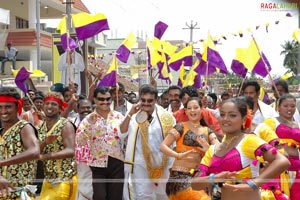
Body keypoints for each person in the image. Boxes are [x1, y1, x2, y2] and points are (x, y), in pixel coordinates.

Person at [191, 97, 290, 200]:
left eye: (232, 115)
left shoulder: (248, 141)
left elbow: (282, 161)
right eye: (222, 114)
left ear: (243, 119)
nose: (225, 119)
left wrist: (254, 183)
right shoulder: (213, 150)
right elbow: (194, 184)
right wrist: (214, 178)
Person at [120, 84, 176, 200]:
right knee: (142, 196)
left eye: (150, 101)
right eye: (143, 100)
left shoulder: (167, 117)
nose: (146, 103)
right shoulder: (133, 115)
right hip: (139, 164)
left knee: (163, 196)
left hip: (162, 164)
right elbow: (122, 133)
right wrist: (130, 113)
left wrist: (173, 166)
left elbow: (173, 144)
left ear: (156, 100)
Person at [160, 97, 219, 200]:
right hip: (179, 177)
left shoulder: (208, 131)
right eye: (189, 108)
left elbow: (219, 151)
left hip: (198, 177)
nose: (192, 110)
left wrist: (208, 149)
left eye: (196, 107)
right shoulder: (180, 127)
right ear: (185, 111)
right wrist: (177, 155)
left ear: (202, 109)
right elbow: (163, 146)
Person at [76, 87, 125, 200]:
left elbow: (127, 136)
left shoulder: (119, 117)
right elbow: (80, 141)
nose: (105, 102)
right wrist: (89, 125)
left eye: (108, 99)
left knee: (116, 197)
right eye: (101, 99)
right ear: (95, 99)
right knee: (100, 196)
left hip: (117, 162)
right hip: (97, 164)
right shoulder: (88, 119)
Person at [0, 87, 40, 199]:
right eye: (0, 107)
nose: (3, 111)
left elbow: (35, 151)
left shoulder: (24, 127)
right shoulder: (1, 132)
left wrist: (2, 163)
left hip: (19, 194)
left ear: (17, 106)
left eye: (8, 107)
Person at [38, 91, 77, 200]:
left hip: (63, 178)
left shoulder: (65, 125)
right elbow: (36, 151)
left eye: (54, 104)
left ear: (60, 108)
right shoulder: (41, 127)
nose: (50, 106)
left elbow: (71, 150)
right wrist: (45, 142)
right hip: (48, 179)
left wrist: (46, 156)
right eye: (47, 103)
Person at [263, 94, 300, 199]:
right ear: (278, 108)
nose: (289, 109)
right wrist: (279, 148)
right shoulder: (271, 122)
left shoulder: (298, 125)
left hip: (297, 169)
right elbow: (263, 141)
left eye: (292, 106)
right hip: (279, 168)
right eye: (286, 106)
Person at [74, 98, 94, 200]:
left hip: (93, 163)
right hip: (77, 164)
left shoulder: (98, 122)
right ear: (77, 109)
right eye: (83, 108)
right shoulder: (71, 123)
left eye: (88, 108)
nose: (86, 110)